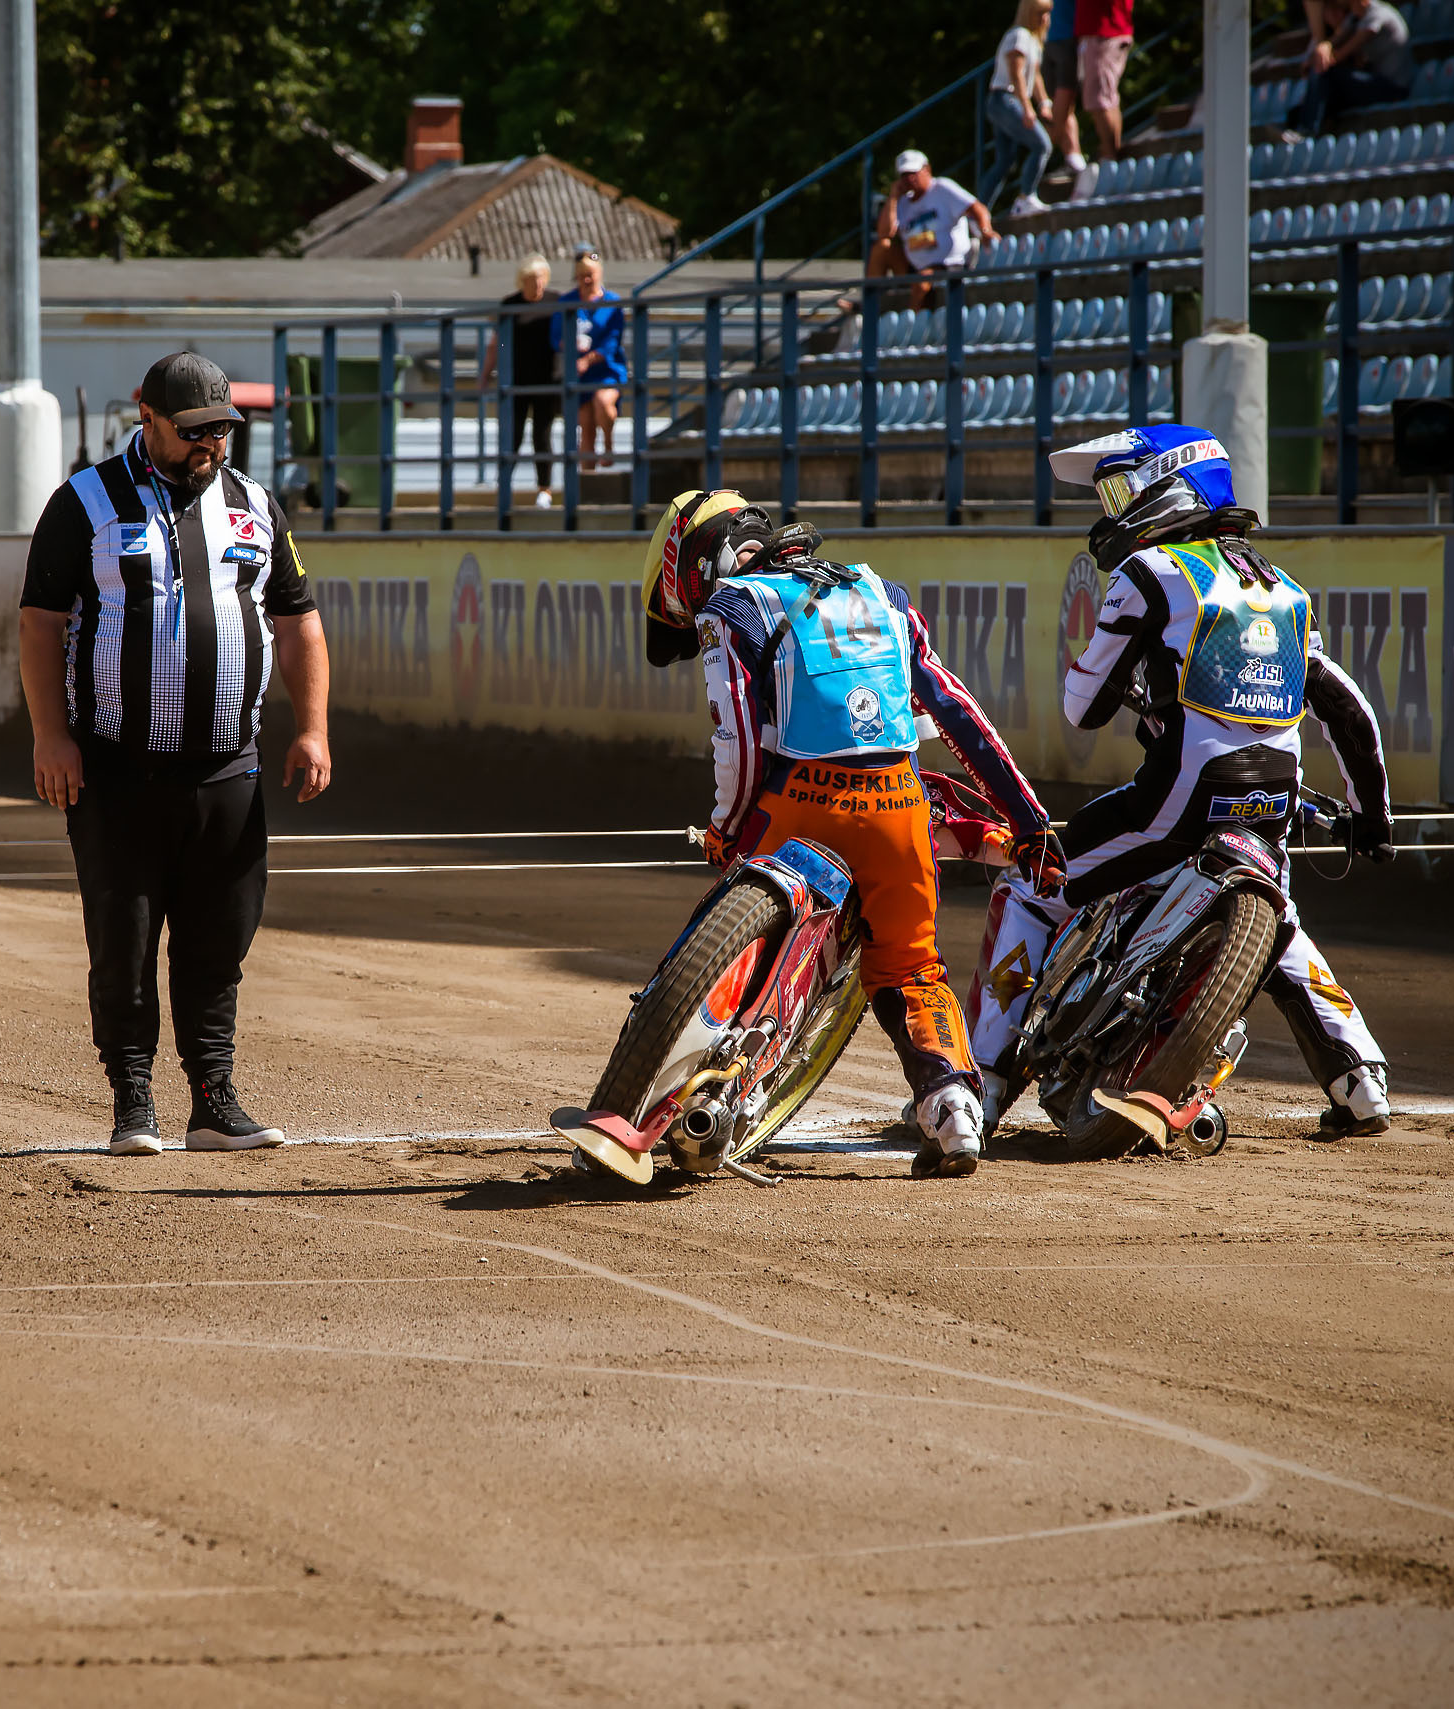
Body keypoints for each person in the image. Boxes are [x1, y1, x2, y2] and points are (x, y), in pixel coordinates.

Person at [967, 425, 1396, 1142]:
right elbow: (1348, 710)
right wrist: (1372, 819)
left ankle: (980, 1085)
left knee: (1032, 884)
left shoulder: (1152, 573)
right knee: (1280, 925)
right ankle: (1360, 1080)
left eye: (1119, 491)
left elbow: (1081, 708)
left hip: (1176, 804)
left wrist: (1126, 678)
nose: (1111, 511)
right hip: (1271, 806)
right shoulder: (1285, 589)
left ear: (1169, 486)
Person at [639, 491, 1058, 1179]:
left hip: (800, 804)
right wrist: (1029, 818)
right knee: (912, 967)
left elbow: (735, 739)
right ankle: (953, 1108)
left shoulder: (733, 606)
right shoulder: (881, 593)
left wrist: (725, 827)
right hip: (900, 806)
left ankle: (680, 1058)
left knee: (730, 912)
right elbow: (956, 710)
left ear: (703, 561)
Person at [18, 352, 333, 1156]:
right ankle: (133, 1102)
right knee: (122, 944)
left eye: (221, 430)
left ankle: (213, 1102)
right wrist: (51, 735)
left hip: (229, 770)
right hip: (117, 773)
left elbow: (299, 620)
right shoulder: (84, 502)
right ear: (147, 418)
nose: (210, 445)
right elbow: (40, 623)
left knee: (217, 943)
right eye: (194, 431)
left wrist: (313, 727)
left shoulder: (255, 506)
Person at [866, 151, 998, 309]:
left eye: (913, 172)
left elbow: (977, 208)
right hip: (914, 267)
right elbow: (884, 234)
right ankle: (869, 308)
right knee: (881, 248)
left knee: (921, 282)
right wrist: (893, 197)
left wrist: (986, 230)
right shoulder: (902, 202)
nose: (909, 179)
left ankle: (913, 323)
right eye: (904, 175)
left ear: (927, 169)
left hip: (947, 265)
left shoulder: (942, 188)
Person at [491, 254, 561, 507]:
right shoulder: (510, 304)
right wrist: (487, 373)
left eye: (541, 278)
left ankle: (545, 489)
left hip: (547, 381)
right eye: (532, 279)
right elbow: (497, 343)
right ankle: (503, 488)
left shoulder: (556, 302)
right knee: (512, 436)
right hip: (516, 382)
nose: (537, 284)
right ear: (522, 281)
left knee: (542, 435)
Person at [1288, 0, 1414, 138]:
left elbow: (1342, 52)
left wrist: (1323, 54)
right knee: (1296, 113)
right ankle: (1304, 129)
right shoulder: (1355, 18)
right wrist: (1322, 48)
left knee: (1326, 72)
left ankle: (1308, 130)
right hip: (1374, 83)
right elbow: (1333, 42)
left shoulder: (1378, 14)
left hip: (1393, 89)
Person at [551, 250, 626, 471]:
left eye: (590, 275)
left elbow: (612, 341)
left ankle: (609, 445)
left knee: (603, 402)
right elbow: (556, 336)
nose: (586, 280)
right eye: (581, 275)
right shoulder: (567, 302)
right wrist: (569, 345)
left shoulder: (612, 302)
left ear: (599, 274)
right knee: (586, 426)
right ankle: (586, 484)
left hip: (607, 369)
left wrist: (588, 359)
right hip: (579, 373)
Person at [987, 0, 1059, 218]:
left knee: (1004, 161)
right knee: (1042, 145)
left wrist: (1044, 102)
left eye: (1047, 13)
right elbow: (1016, 73)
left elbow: (1034, 76)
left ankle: (980, 210)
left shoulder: (1032, 40)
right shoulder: (1019, 35)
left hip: (1005, 100)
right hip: (1005, 99)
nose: (1045, 18)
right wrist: (1028, 108)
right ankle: (1026, 197)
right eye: (1040, 13)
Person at [1075, 0, 1136, 183]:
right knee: (1106, 99)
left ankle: (1111, 161)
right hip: (1104, 32)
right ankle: (1111, 157)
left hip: (1105, 33)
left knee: (1100, 100)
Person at [1046, 0, 1093, 200]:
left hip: (1069, 40)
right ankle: (1072, 158)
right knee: (1059, 105)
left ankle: (1055, 153)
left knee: (1064, 104)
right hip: (1053, 39)